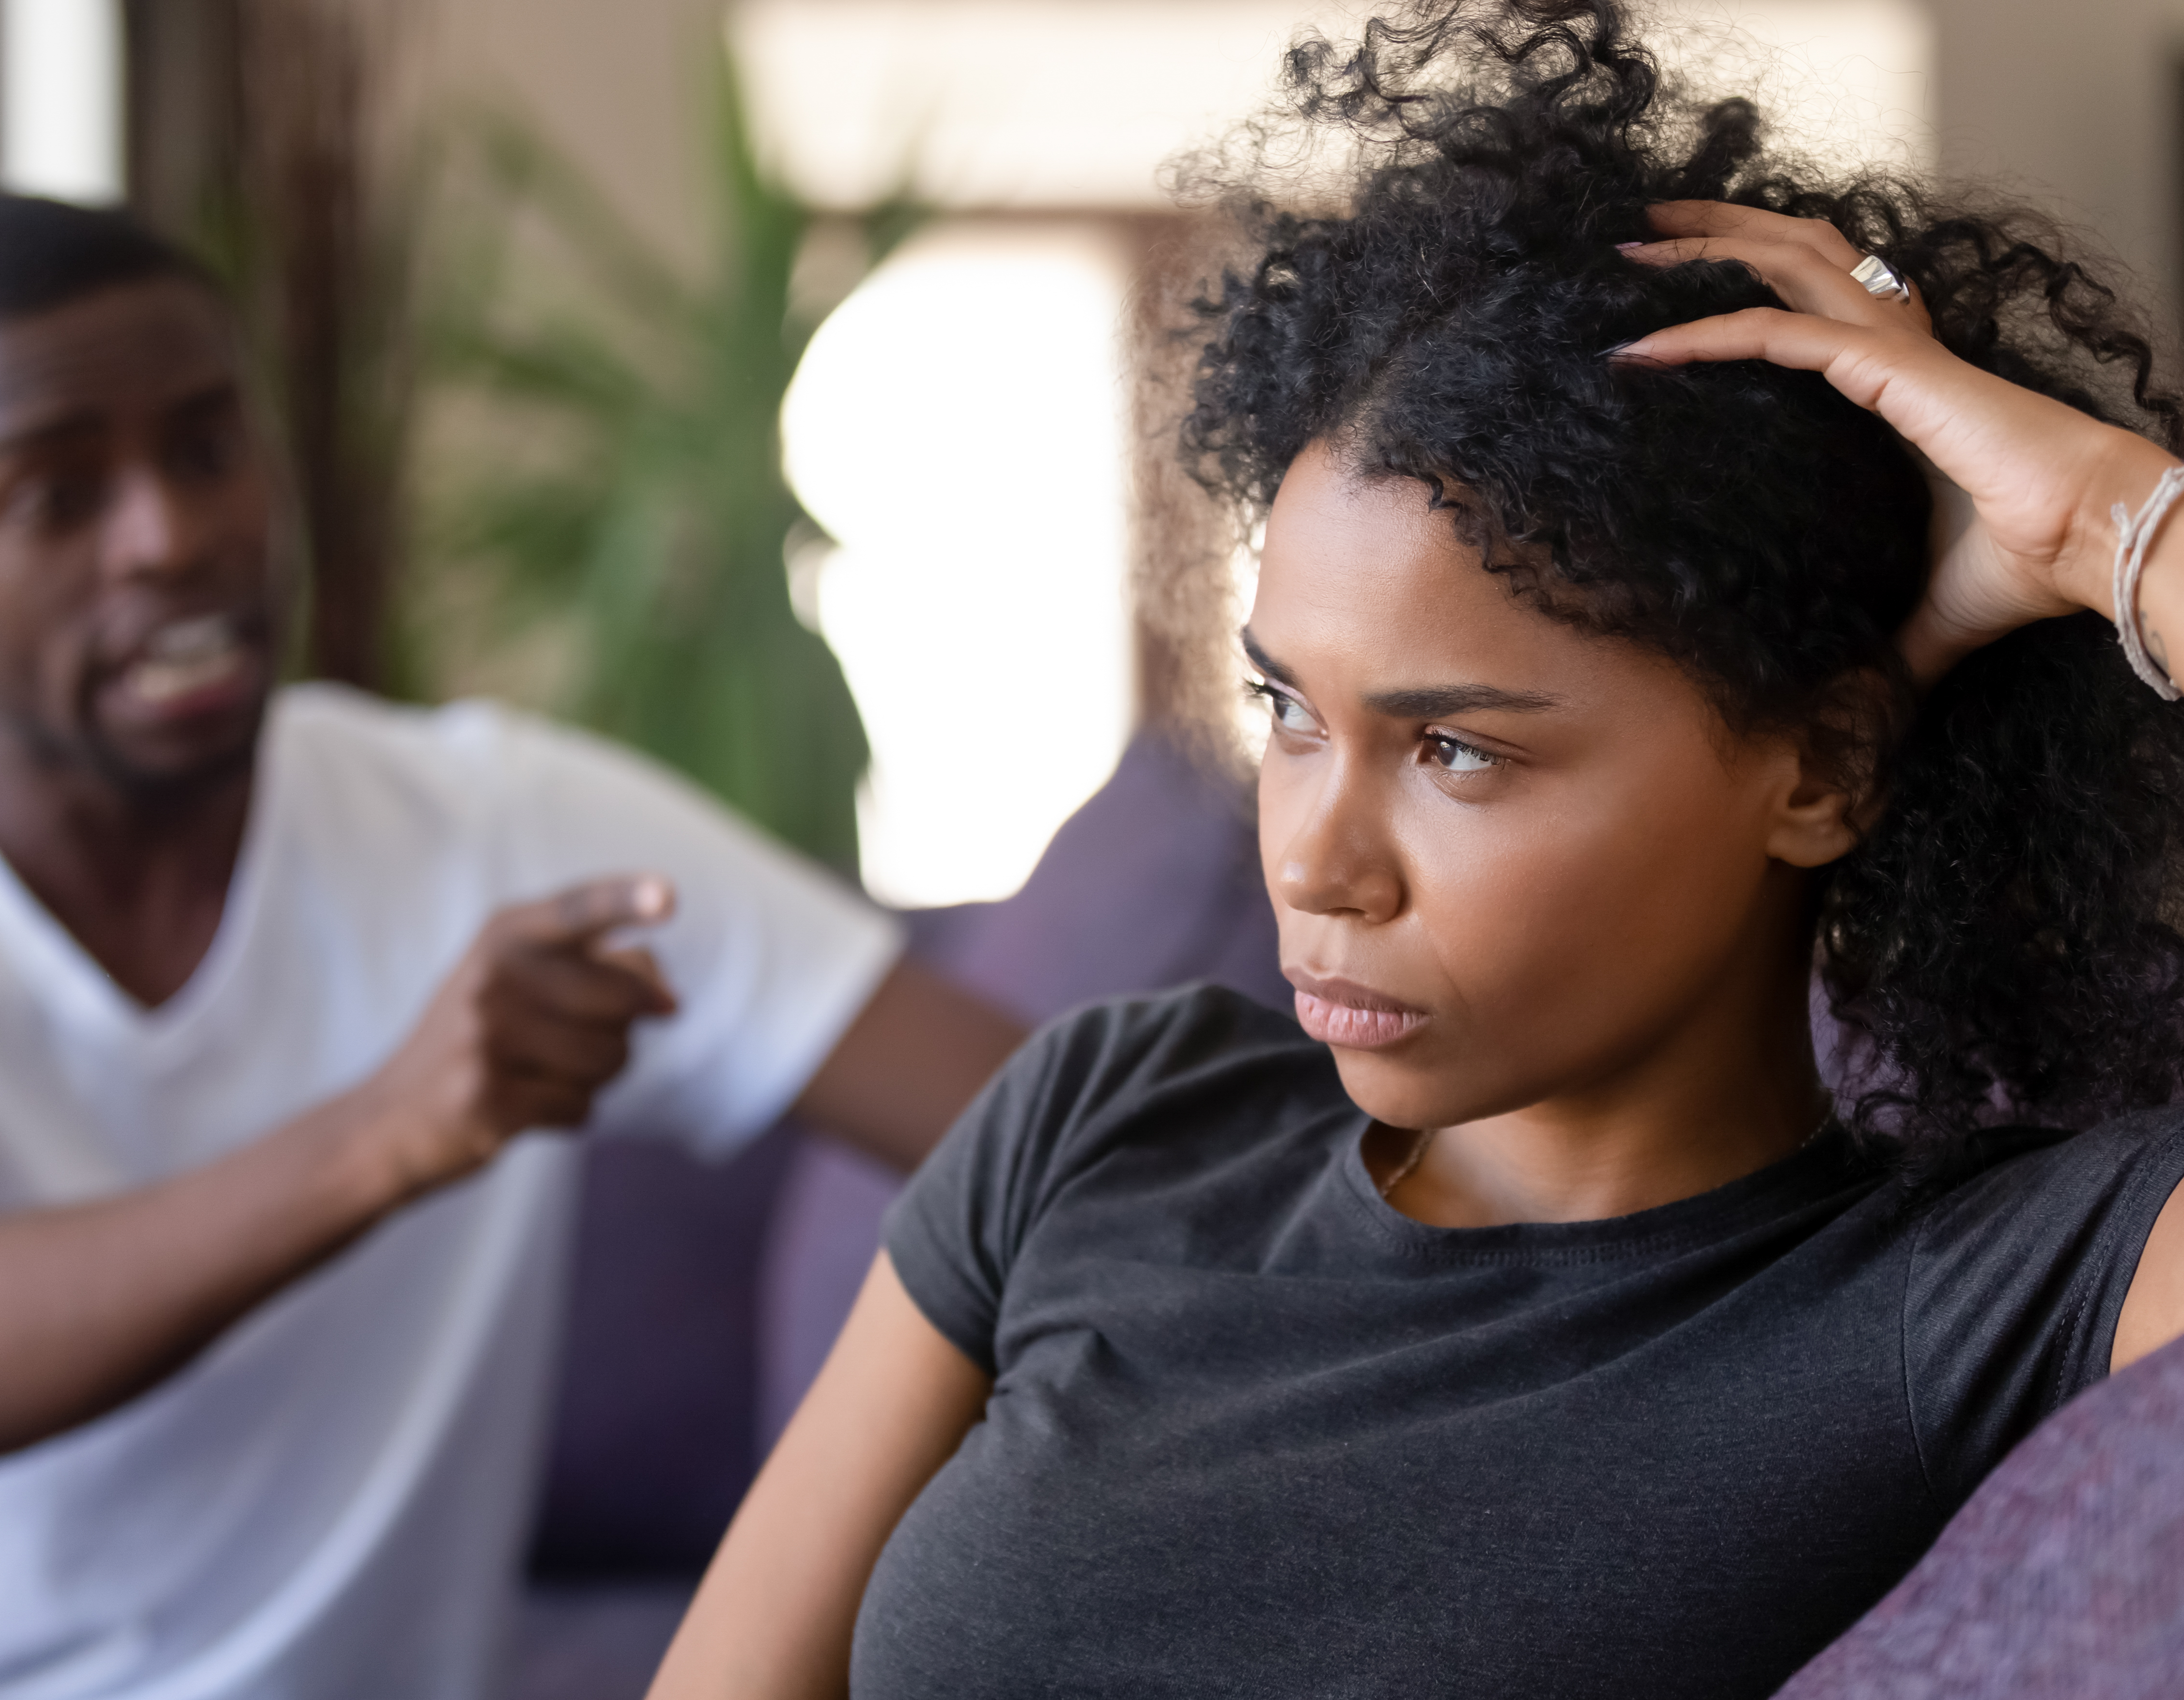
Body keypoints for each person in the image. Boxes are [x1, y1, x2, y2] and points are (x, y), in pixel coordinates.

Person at [646, 4, 2184, 1697]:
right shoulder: (1105, 1122)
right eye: (1289, 712)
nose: (1313, 864)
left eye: (1455, 749)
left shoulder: (1984, 1298)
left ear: (1821, 766)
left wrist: (2109, 522)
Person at [0, 192, 1024, 1700]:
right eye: (57, 496)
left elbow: (1051, 1136)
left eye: (208, 447)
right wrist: (395, 1128)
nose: (170, 535)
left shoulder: (499, 822)